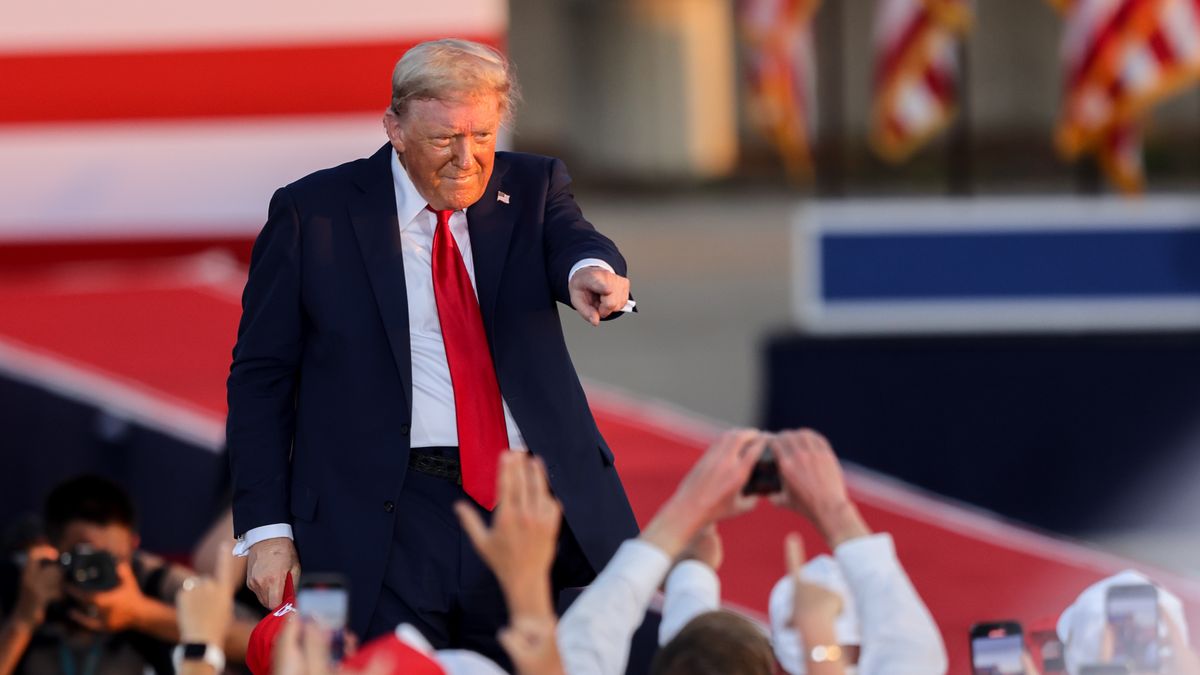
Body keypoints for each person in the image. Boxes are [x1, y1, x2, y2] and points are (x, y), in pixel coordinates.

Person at [226, 37, 639, 662]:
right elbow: (261, 379)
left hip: (520, 508)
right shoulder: (314, 214)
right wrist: (266, 528)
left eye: (482, 134)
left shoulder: (530, 186)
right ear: (394, 126)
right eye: (444, 139)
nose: (467, 158)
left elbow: (574, 241)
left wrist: (591, 271)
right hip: (382, 516)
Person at [655, 429, 947, 675]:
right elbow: (913, 651)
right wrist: (835, 512)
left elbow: (697, 651)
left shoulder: (689, 656)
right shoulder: (907, 657)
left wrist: (691, 567)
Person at [0, 475, 253, 675]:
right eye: (84, 556)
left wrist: (140, 613)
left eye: (112, 560)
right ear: (52, 549)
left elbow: (259, 640)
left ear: (133, 547)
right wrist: (22, 621)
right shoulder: (20, 584)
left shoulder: (151, 579)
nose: (97, 571)